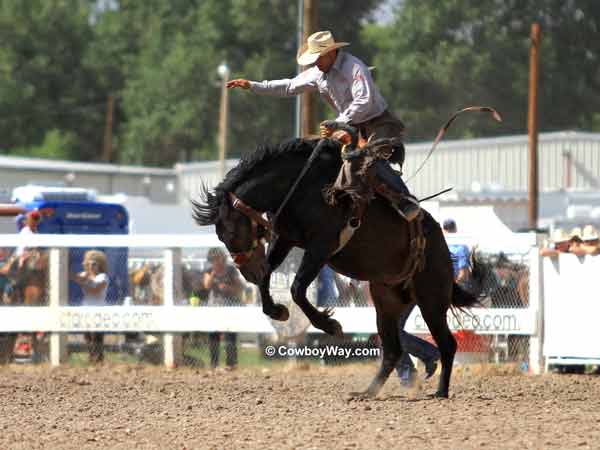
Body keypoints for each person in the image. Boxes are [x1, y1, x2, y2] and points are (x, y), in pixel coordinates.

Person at [227, 30, 420, 222]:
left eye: (317, 58)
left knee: (370, 158)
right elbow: (289, 86)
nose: (314, 63)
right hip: (349, 125)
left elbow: (364, 101)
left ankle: (405, 199)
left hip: (378, 122)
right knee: (322, 156)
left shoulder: (354, 68)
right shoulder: (318, 73)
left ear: (330, 54)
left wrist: (338, 124)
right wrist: (252, 85)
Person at [203, 247, 245, 369]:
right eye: (214, 259)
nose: (217, 261)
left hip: (229, 306)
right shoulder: (209, 270)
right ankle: (214, 363)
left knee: (230, 335)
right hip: (214, 307)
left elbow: (239, 287)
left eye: (219, 258)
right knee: (213, 336)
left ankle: (231, 363)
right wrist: (213, 274)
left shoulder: (231, 270)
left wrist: (228, 288)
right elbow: (206, 285)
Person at [71, 250, 109, 364]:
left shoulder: (103, 277)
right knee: (87, 335)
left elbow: (96, 290)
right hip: (86, 308)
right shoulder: (84, 275)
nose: (91, 267)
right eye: (88, 264)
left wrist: (84, 281)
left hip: (99, 309)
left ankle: (98, 359)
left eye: (94, 264)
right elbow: (74, 277)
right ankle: (91, 357)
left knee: (97, 336)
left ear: (99, 265)